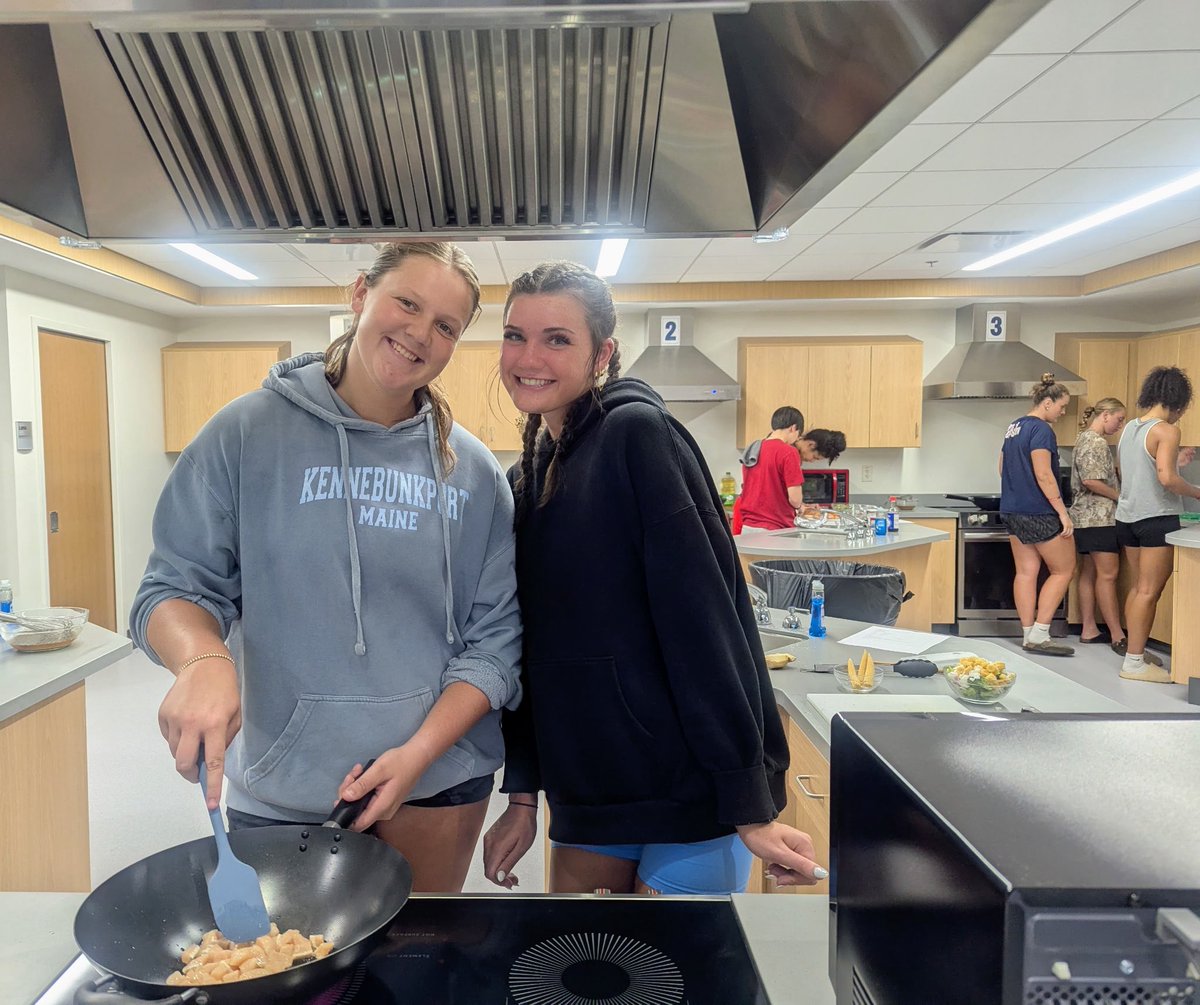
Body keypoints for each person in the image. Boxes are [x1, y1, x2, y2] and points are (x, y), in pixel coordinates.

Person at [130, 242, 523, 893]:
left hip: (440, 778)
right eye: (407, 302)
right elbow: (173, 588)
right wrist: (202, 659)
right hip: (286, 784)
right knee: (291, 978)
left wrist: (419, 754)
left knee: (418, 971)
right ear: (361, 293)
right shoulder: (244, 435)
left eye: (446, 325)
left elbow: (496, 641)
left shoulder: (473, 472)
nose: (420, 333)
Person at [481, 261, 824, 896]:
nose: (529, 357)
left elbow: (706, 622)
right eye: (514, 335)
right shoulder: (527, 478)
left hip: (686, 788)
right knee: (581, 980)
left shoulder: (638, 436)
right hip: (588, 788)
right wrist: (524, 793)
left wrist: (748, 801)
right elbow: (525, 647)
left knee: (679, 983)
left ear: (602, 353)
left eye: (558, 338)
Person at [1114, 366, 1200, 682]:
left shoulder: (1130, 429)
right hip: (1156, 519)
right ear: (1178, 401)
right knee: (1149, 591)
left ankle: (1134, 654)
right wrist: (1196, 492)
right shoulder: (1166, 430)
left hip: (1127, 518)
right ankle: (1134, 664)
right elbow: (1166, 479)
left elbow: (1134, 471)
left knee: (1138, 589)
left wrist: (1175, 463)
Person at [999, 374, 1075, 657]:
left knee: (1026, 572)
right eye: (1062, 406)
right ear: (1047, 402)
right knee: (1064, 569)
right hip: (1039, 511)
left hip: (1012, 509)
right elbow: (1044, 473)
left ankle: (1028, 633)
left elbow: (1001, 466)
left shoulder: (1014, 427)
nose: (1063, 412)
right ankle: (1041, 634)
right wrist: (1062, 513)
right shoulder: (1041, 430)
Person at [1068, 398, 1126, 648]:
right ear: (1105, 415)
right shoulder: (1096, 442)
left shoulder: (1083, 439)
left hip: (1083, 518)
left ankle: (1089, 628)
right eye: (1119, 419)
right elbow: (1092, 481)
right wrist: (1121, 497)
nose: (1120, 425)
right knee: (1108, 575)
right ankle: (1117, 636)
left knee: (1089, 572)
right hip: (1099, 518)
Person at [738, 406, 805, 531]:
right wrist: (801, 506)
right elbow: (795, 500)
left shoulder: (753, 449)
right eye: (798, 435)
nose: (795, 440)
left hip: (748, 527)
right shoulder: (789, 452)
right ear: (793, 428)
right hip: (775, 528)